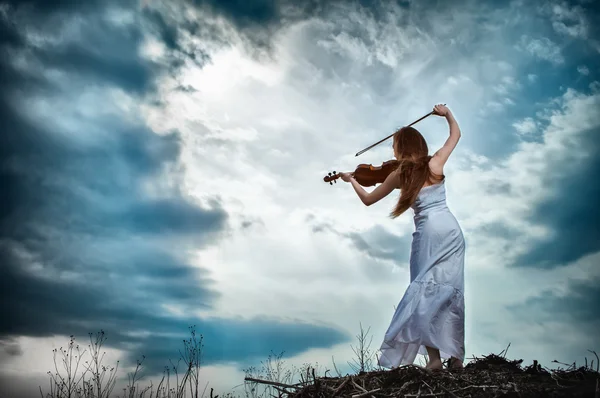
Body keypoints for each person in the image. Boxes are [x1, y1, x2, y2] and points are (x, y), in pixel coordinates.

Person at [339, 104, 465, 371]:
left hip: (428, 234)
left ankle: (434, 360)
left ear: (400, 149)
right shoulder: (435, 163)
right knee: (450, 290)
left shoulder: (399, 175)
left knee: (423, 291)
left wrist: (351, 179)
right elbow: (455, 136)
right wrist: (447, 114)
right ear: (419, 145)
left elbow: (368, 200)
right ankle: (457, 356)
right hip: (451, 231)